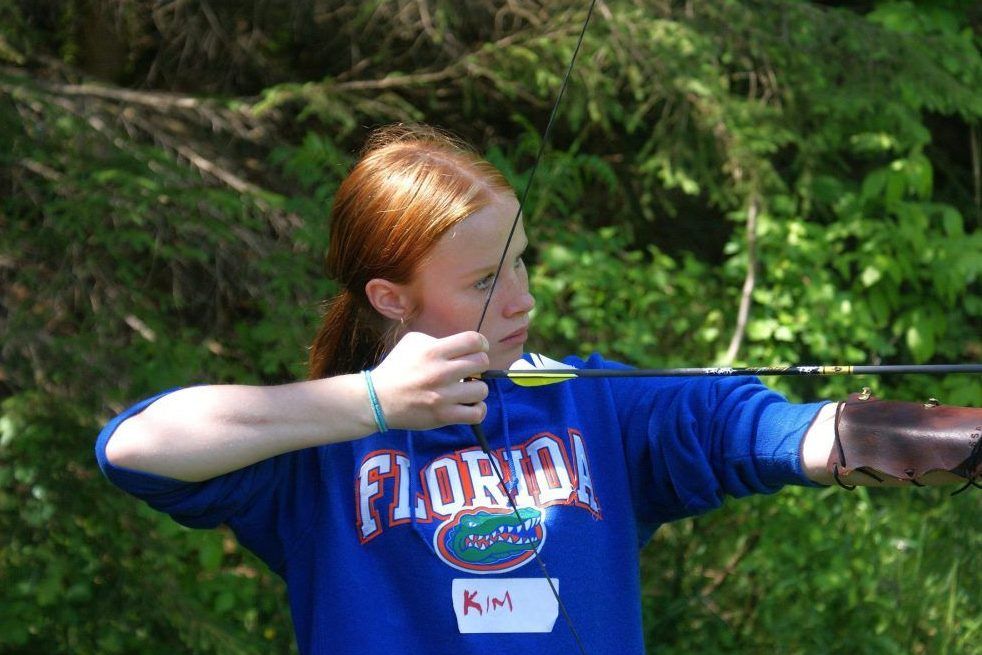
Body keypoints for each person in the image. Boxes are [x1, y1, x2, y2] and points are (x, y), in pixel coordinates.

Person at [96, 124, 980, 655]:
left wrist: (880, 436)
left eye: (521, 262)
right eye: (485, 279)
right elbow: (135, 447)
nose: (522, 299)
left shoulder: (586, 401)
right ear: (390, 299)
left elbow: (746, 425)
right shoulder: (317, 447)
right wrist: (367, 405)